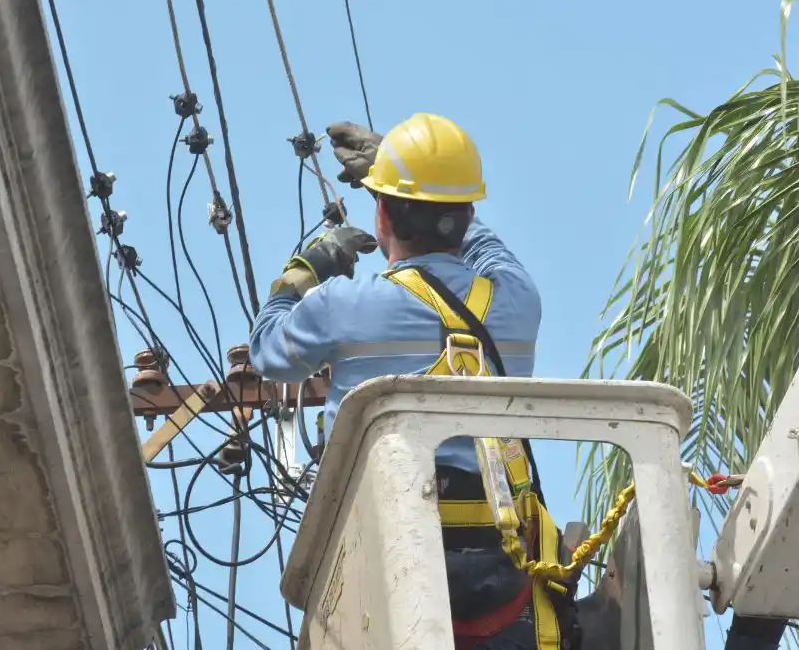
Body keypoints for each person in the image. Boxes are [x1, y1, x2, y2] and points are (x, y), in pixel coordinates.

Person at [248, 113, 579, 650]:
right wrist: (411, 174)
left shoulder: (343, 307)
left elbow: (269, 352)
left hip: (384, 564)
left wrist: (301, 272)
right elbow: (485, 248)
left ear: (381, 215)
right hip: (503, 576)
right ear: (467, 214)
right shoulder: (516, 303)